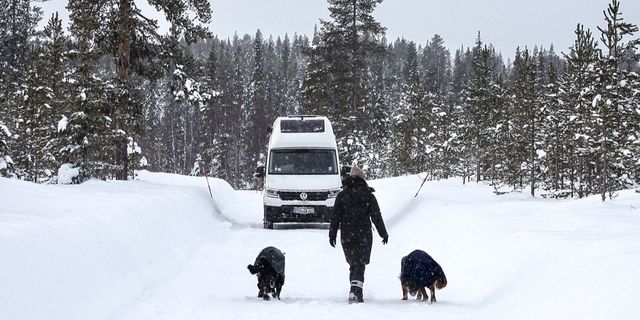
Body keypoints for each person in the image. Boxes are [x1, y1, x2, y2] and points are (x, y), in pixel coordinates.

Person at [329, 166, 389, 303]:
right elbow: (376, 216)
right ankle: (355, 291)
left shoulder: (342, 195)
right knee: (359, 263)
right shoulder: (368, 195)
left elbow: (335, 217)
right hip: (364, 235)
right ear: (362, 179)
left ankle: (354, 289)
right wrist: (383, 233)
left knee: (353, 263)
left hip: (347, 234)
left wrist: (332, 234)